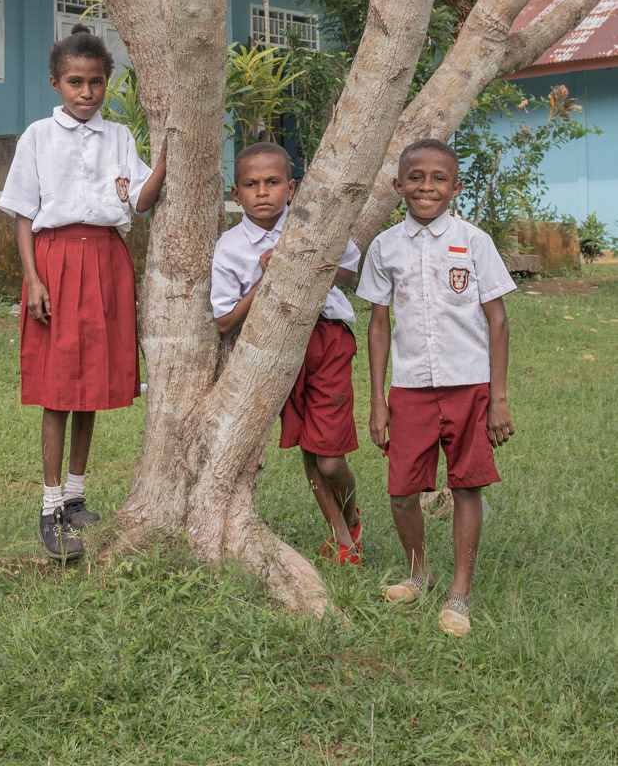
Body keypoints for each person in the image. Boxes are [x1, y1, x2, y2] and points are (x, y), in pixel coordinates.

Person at [0, 24, 167, 560]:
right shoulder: (37, 138)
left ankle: (75, 494)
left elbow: (140, 199)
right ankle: (48, 506)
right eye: (76, 82)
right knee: (58, 384)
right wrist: (33, 280)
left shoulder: (119, 137)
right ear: (56, 84)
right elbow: (24, 215)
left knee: (89, 381)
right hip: (55, 261)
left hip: (106, 261)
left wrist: (167, 154)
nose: (87, 93)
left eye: (96, 83)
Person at [357, 137, 516, 637]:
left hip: (469, 385)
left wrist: (499, 399)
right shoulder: (385, 247)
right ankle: (419, 574)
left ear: (456, 187)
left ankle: (459, 593)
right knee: (402, 491)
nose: (426, 187)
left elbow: (498, 321)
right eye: (416, 178)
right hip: (409, 388)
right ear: (398, 184)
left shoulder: (473, 242)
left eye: (438, 178)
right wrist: (377, 400)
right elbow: (378, 325)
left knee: (467, 486)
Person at [210, 143, 363, 563]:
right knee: (308, 448)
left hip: (326, 340)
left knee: (330, 459)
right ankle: (343, 541)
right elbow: (224, 321)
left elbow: (351, 274)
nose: (263, 192)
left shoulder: (312, 225)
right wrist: (266, 279)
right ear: (235, 192)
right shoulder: (230, 246)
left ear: (291, 188)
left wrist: (302, 259)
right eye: (251, 184)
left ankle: (352, 519)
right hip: (274, 349)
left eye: (273, 182)